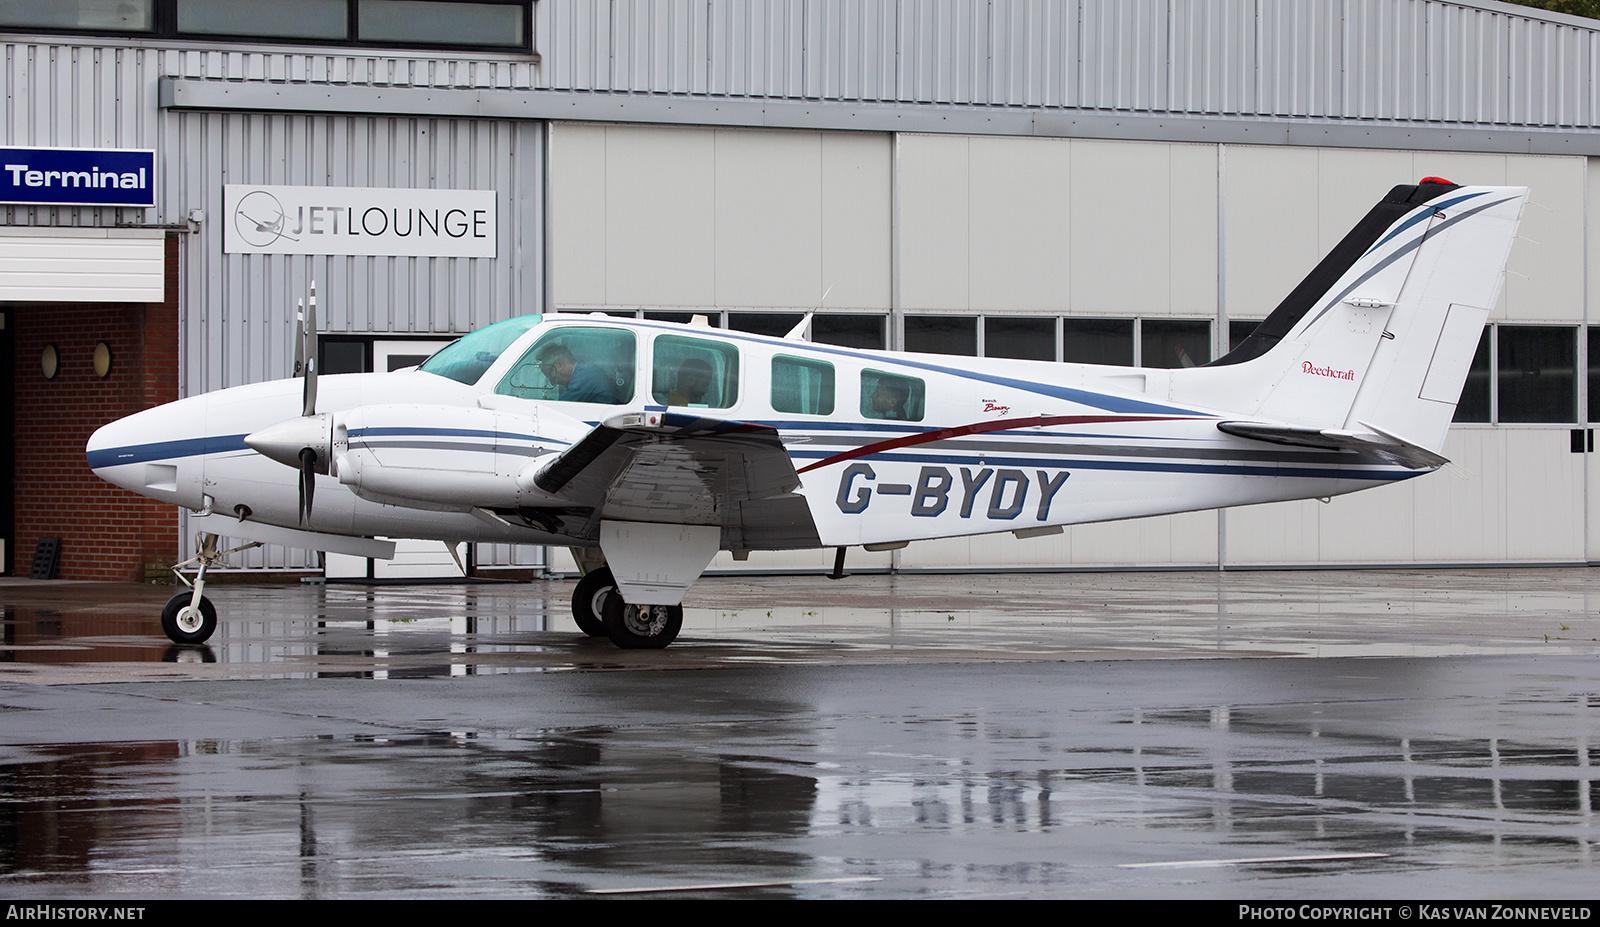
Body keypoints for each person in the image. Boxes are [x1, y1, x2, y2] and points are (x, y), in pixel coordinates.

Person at [537, 344, 614, 403]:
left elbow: (562, 407)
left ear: (560, 364)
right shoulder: (582, 371)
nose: (551, 382)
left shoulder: (584, 375)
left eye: (549, 374)